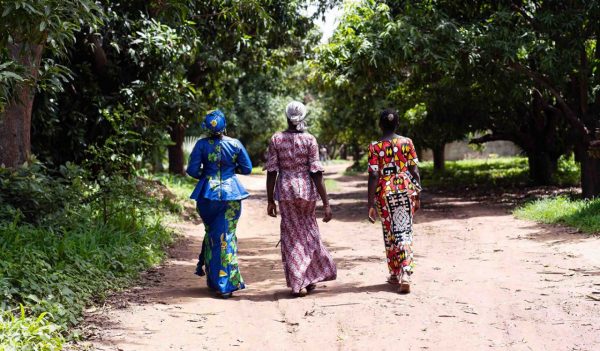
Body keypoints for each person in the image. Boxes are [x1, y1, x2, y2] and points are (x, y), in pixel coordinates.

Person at [265, 101, 337, 297]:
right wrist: (326, 203)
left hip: (286, 191)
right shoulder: (310, 140)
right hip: (306, 190)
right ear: (303, 117)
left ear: (286, 117)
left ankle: (300, 281)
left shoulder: (276, 139)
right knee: (308, 232)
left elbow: (272, 172)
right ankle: (307, 277)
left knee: (291, 234)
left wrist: (270, 200)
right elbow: (316, 173)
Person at [186, 110, 253, 298]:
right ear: (225, 126)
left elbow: (192, 170)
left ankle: (214, 280)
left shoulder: (201, 145)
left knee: (213, 235)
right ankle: (225, 283)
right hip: (231, 196)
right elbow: (247, 168)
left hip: (207, 196)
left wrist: (207, 176)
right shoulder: (236, 144)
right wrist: (231, 171)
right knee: (227, 237)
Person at [367, 108, 422, 294]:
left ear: (380, 125)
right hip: (406, 190)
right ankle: (403, 272)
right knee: (404, 229)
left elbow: (374, 174)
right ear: (397, 123)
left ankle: (396, 272)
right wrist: (418, 195)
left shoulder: (375, 146)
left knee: (390, 231)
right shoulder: (407, 143)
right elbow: (414, 171)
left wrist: (370, 203)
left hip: (385, 193)